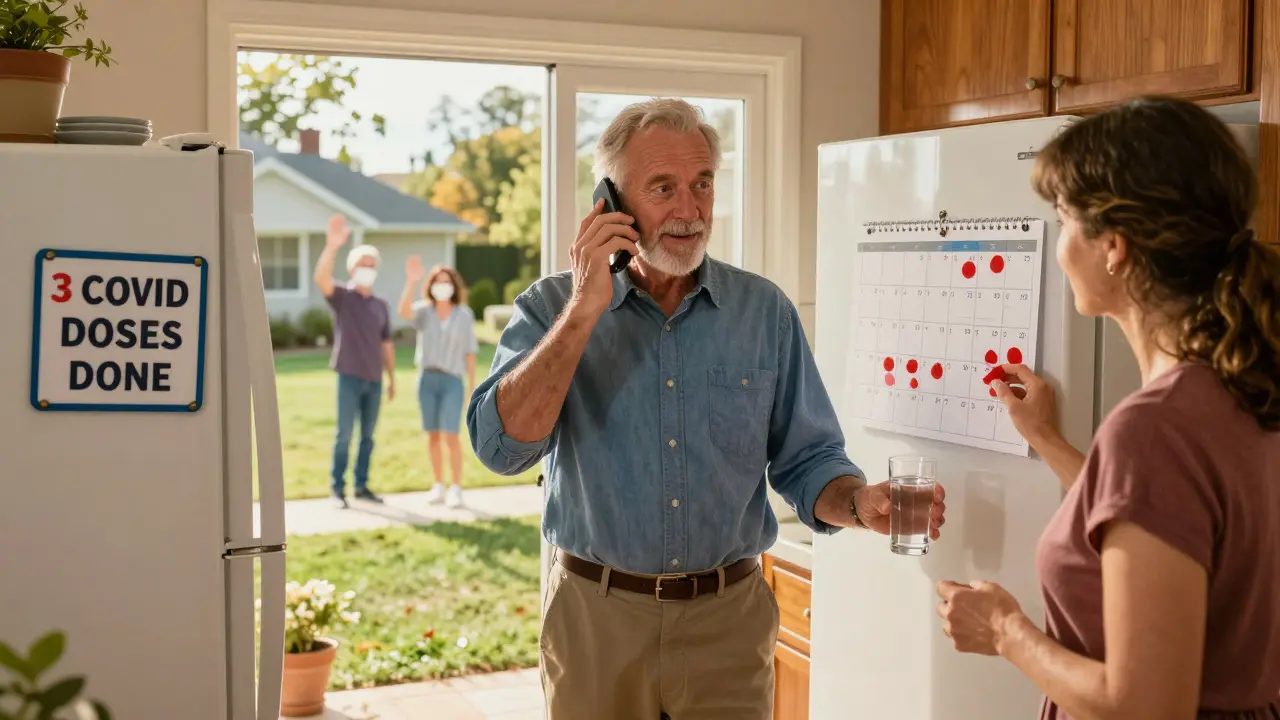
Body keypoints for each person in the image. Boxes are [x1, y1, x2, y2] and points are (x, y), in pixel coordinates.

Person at [467, 97, 946, 719]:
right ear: (610, 203)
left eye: (702, 185)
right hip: (596, 622)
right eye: (663, 188)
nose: (690, 211)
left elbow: (809, 459)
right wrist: (585, 308)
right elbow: (501, 447)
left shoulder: (764, 312)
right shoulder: (550, 308)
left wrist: (859, 502)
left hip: (730, 623)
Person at [934, 96, 1280, 720]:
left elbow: (1146, 706)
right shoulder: (1242, 388)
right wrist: (1048, 442)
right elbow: (1163, 513)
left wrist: (1006, 630)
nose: (1060, 243)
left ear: (1114, 246)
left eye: (1064, 220)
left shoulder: (1153, 428)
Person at [314, 214, 395, 509]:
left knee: (368, 437)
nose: (367, 270)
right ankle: (338, 489)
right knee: (344, 435)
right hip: (349, 376)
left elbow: (386, 343)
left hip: (374, 379)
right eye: (362, 265)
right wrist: (332, 247)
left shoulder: (381, 306)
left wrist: (392, 378)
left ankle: (361, 486)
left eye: (372, 266)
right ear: (352, 269)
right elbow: (321, 279)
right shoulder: (343, 297)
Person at [398, 257, 478, 509]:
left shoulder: (464, 315)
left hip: (453, 379)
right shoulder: (424, 311)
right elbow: (403, 312)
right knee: (432, 435)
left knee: (451, 435)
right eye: (438, 282)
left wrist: (471, 386)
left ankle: (456, 487)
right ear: (431, 286)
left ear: (454, 286)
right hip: (427, 379)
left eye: (447, 281)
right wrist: (411, 281)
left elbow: (470, 352)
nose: (442, 285)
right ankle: (438, 484)